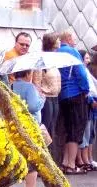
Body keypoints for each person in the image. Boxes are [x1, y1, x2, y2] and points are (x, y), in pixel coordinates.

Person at [0, 32, 32, 187]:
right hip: (18, 113)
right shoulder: (11, 58)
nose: (25, 47)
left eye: (27, 45)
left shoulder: (25, 58)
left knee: (16, 153)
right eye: (22, 44)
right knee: (29, 155)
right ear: (16, 43)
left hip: (13, 112)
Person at [11, 69, 46, 187]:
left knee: (15, 158)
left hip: (14, 127)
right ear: (27, 74)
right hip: (29, 127)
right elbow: (32, 106)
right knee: (32, 159)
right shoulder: (29, 87)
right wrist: (42, 98)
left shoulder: (10, 87)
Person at [57, 30, 89, 175]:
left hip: (62, 96)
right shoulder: (72, 51)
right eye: (74, 38)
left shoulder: (56, 52)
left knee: (68, 129)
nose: (75, 41)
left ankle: (64, 162)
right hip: (76, 93)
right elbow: (81, 73)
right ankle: (71, 164)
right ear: (68, 39)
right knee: (76, 130)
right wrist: (86, 89)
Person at [32, 32, 61, 141]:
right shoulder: (41, 59)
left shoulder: (54, 58)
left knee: (52, 127)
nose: (59, 41)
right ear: (51, 41)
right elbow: (36, 81)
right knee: (45, 127)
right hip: (46, 98)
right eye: (57, 39)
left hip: (55, 97)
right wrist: (40, 97)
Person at [75, 49, 97, 171]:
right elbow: (86, 88)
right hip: (87, 102)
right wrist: (91, 100)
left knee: (90, 133)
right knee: (84, 133)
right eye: (87, 58)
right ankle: (82, 159)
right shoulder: (82, 71)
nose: (89, 60)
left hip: (92, 103)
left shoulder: (87, 71)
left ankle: (88, 158)